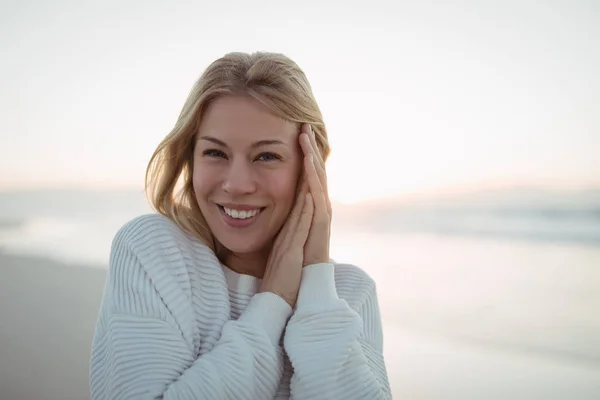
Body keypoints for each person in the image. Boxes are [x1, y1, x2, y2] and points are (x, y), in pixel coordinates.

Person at [89, 51, 391, 400]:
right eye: (215, 153)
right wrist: (273, 301)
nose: (236, 184)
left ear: (309, 169)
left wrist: (316, 284)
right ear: (190, 159)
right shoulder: (153, 251)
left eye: (267, 156)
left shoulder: (350, 293)